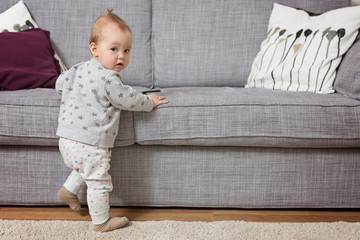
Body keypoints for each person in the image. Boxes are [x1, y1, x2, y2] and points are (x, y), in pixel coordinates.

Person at [55, 8, 168, 232]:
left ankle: (67, 191)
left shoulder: (77, 69)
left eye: (127, 50)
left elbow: (59, 85)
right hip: (90, 141)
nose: (121, 56)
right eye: (114, 49)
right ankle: (101, 222)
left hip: (66, 138)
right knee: (98, 181)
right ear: (95, 49)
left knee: (85, 167)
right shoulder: (109, 78)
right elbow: (128, 99)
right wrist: (150, 101)